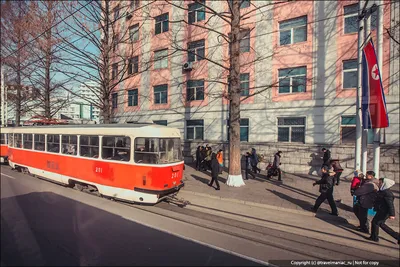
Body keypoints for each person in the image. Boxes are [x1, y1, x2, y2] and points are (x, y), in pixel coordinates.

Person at [368, 178, 399, 244]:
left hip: (385, 212)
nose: (379, 184)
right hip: (381, 210)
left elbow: (390, 205)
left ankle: (374, 237)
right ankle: (398, 236)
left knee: (375, 222)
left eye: (380, 183)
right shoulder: (383, 191)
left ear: (385, 184)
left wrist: (392, 214)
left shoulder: (388, 193)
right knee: (381, 224)